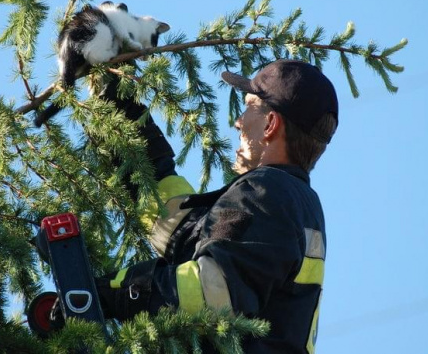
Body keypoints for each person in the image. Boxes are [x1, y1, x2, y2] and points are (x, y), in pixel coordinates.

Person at [94, 60, 338, 353]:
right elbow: (185, 230)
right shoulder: (294, 204)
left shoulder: (268, 192)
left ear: (271, 124)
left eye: (249, 107)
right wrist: (116, 107)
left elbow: (212, 292)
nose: (238, 120)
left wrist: (111, 293)